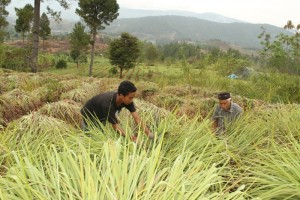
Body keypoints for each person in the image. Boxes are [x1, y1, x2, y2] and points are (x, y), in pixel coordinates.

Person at [81, 80, 154, 142]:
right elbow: (116, 127)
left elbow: (137, 118)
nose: (132, 100)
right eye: (130, 98)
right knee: (90, 140)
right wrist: (133, 139)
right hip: (88, 117)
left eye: (133, 98)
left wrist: (149, 134)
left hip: (102, 116)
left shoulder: (127, 101)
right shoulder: (108, 105)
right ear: (121, 95)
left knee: (100, 134)